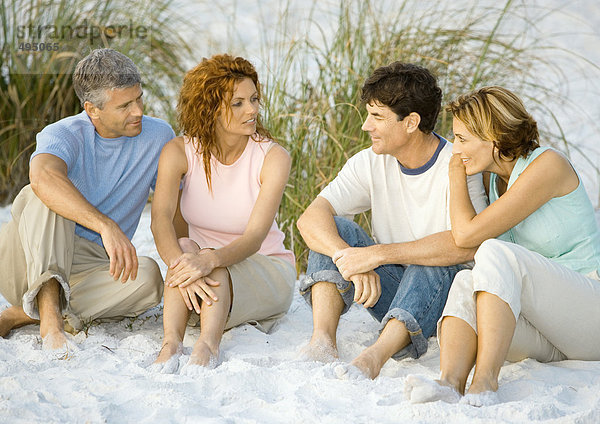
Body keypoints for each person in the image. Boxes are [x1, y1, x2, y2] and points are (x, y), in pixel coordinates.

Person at [404, 86, 600, 406]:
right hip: (551, 333)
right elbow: (463, 235)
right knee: (467, 281)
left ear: (494, 136)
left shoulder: (548, 165)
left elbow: (467, 237)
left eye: (463, 139)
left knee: (493, 251)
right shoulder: (491, 180)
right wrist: (463, 171)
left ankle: (485, 382)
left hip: (590, 315)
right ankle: (450, 382)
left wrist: (455, 175)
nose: (456, 149)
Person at [296, 62, 488, 379]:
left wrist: (377, 254)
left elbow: (468, 245)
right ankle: (322, 340)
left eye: (377, 117)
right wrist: (349, 259)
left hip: (440, 302)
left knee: (431, 264)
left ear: (411, 122)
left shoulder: (458, 165)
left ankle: (375, 356)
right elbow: (310, 218)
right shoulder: (370, 162)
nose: (365, 126)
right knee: (335, 230)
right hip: (391, 293)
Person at [0, 48, 175, 351]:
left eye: (139, 98)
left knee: (149, 278)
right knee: (44, 193)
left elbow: (177, 201)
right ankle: (51, 321)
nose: (137, 112)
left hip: (94, 265)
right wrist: (106, 226)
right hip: (28, 257)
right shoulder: (63, 133)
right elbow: (43, 177)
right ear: (92, 109)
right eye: (125, 105)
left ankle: (24, 313)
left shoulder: (159, 136)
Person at [149, 54, 295, 373]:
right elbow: (160, 218)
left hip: (265, 268)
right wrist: (182, 264)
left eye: (254, 99)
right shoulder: (179, 151)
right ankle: (171, 343)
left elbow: (256, 237)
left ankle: (207, 346)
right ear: (210, 108)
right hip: (200, 268)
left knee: (209, 260)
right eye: (238, 103)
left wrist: (209, 260)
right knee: (185, 251)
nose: (253, 110)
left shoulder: (272, 157)